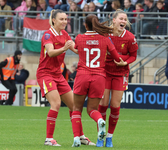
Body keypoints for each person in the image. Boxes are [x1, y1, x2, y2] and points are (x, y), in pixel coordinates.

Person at [36, 9, 95, 146]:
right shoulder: (47, 35)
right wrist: (64, 48)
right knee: (56, 104)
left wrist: (90, 51)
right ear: (53, 20)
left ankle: (80, 136)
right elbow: (50, 53)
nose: (64, 21)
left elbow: (76, 49)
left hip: (58, 75)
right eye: (61, 19)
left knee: (75, 106)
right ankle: (49, 139)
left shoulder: (65, 34)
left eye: (66, 19)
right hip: (45, 74)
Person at [70, 14, 126, 147]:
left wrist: (69, 45)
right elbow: (116, 57)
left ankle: (77, 139)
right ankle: (100, 120)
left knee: (76, 109)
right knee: (92, 109)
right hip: (99, 77)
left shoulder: (79, 38)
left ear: (85, 25)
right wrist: (122, 62)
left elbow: (77, 50)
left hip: (82, 75)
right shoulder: (105, 39)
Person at [98, 9, 138, 147]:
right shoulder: (104, 34)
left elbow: (133, 55)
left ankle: (109, 136)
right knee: (103, 104)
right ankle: (100, 135)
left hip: (121, 74)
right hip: (105, 72)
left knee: (115, 106)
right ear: (113, 20)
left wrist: (124, 62)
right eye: (121, 18)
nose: (123, 21)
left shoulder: (130, 38)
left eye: (125, 19)